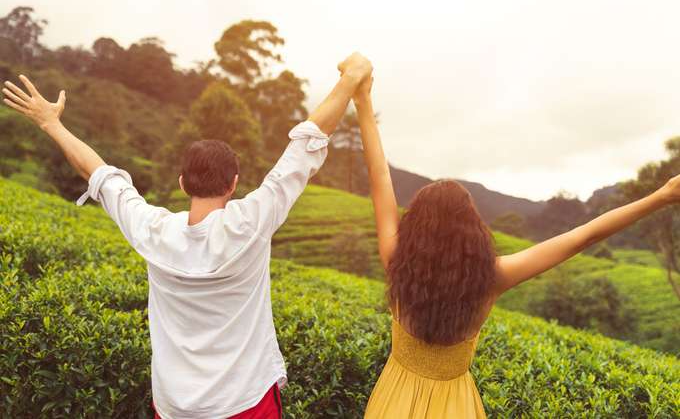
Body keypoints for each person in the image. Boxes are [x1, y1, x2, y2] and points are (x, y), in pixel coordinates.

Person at [1, 51, 373, 419]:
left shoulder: (153, 230)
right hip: (244, 402)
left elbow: (98, 173)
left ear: (182, 183)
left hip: (175, 406)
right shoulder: (250, 223)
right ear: (233, 184)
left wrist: (51, 123)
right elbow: (303, 147)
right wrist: (350, 78)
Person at [350, 75, 680, 418]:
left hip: (392, 402)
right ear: (472, 230)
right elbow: (584, 236)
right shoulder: (491, 276)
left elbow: (380, 177)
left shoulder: (396, 260)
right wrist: (662, 196)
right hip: (456, 408)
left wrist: (363, 100)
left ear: (416, 227)